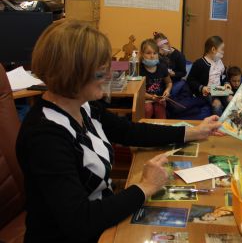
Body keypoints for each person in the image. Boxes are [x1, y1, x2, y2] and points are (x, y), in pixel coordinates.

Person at [16, 20, 222, 243]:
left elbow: (129, 131)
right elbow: (80, 221)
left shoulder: (83, 105)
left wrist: (191, 132)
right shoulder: (44, 136)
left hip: (105, 219)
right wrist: (144, 187)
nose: (107, 78)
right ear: (72, 74)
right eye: (100, 73)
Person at [187, 36, 231, 116]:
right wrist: (202, 88)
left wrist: (226, 83)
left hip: (219, 90)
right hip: (207, 92)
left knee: (231, 99)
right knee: (217, 104)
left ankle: (232, 124)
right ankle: (217, 126)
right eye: (222, 49)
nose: (223, 52)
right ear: (213, 50)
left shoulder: (220, 62)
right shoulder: (199, 63)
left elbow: (224, 76)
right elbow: (190, 80)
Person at [139, 38, 172, 119]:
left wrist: (167, 91)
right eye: (148, 53)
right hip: (145, 98)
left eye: (155, 53)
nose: (152, 56)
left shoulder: (162, 67)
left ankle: (161, 129)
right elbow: (138, 91)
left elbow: (169, 83)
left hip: (159, 99)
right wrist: (151, 97)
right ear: (142, 54)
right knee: (148, 109)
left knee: (159, 110)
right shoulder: (139, 69)